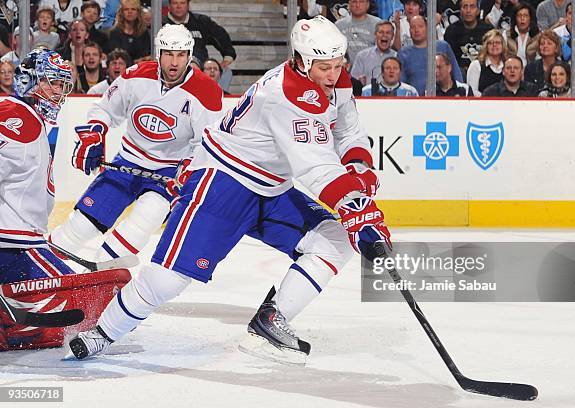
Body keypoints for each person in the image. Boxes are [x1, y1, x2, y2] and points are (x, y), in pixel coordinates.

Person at [66, 15, 391, 365]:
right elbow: (314, 165)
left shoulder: (334, 79)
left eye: (338, 64)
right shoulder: (284, 94)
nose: (333, 74)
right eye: (324, 67)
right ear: (301, 60)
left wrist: (359, 168)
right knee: (168, 280)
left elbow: (347, 130)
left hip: (271, 188)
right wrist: (355, 204)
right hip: (224, 183)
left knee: (335, 239)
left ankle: (272, 319)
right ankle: (103, 331)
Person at [50, 25, 223, 268]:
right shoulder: (136, 76)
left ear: (190, 54)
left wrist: (188, 168)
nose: (174, 62)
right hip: (127, 162)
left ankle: (103, 279)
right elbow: (105, 109)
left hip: (168, 174)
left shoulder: (206, 91)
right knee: (80, 226)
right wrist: (95, 133)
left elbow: (206, 142)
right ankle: (37, 268)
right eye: (169, 54)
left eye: (181, 54)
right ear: (158, 53)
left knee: (141, 223)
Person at [0, 48, 129, 352]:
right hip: (14, 245)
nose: (59, 93)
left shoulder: (30, 119)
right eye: (52, 84)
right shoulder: (16, 114)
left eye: (63, 85)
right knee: (88, 311)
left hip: (21, 241)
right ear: (28, 80)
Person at [399, 15, 463, 96]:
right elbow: (401, 84)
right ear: (409, 31)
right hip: (416, 102)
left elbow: (456, 74)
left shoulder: (443, 46)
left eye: (420, 26)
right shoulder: (403, 53)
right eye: (413, 27)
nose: (416, 30)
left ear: (427, 28)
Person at [163, 0, 236, 70]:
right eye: (175, 3)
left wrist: (227, 58)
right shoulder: (160, 24)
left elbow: (221, 37)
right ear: (169, 6)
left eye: (182, 3)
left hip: (201, 71)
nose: (179, 6)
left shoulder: (202, 21)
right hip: (172, 72)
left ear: (188, 5)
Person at [444, 0, 495, 76]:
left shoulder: (488, 30)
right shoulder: (451, 31)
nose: (468, 10)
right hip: (459, 72)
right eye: (465, 7)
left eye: (472, 7)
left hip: (484, 70)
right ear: (460, 11)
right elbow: (449, 58)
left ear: (478, 10)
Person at [351, 20, 396, 85]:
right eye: (381, 32)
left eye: (388, 33)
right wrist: (359, 82)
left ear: (392, 36)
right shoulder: (362, 56)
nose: (384, 35)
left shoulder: (397, 57)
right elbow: (353, 81)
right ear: (375, 35)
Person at [466, 29, 507, 96]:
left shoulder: (507, 65)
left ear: (503, 46)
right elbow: (472, 91)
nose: (494, 45)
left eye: (498, 43)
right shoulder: (476, 65)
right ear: (486, 46)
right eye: (490, 43)